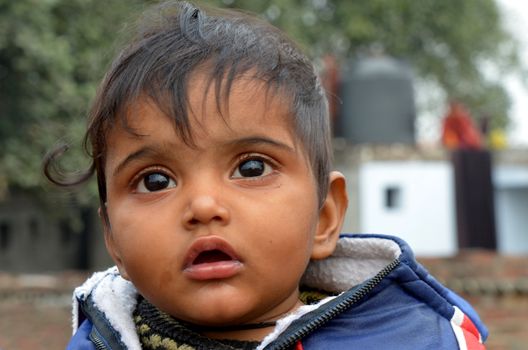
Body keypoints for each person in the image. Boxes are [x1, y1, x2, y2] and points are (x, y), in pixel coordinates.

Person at [45, 1, 488, 349]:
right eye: (155, 181)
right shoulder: (97, 341)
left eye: (251, 168)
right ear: (113, 239)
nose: (203, 206)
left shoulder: (420, 339)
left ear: (326, 216)